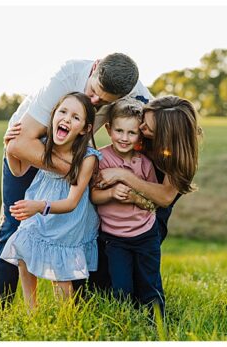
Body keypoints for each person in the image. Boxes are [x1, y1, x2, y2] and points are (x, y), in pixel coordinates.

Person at [0, 53, 153, 308]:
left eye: (105, 102)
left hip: (74, 154)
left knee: (76, 229)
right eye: (94, 91)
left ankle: (85, 301)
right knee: (13, 224)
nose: (95, 102)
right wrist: (79, 172)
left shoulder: (135, 91)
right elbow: (21, 145)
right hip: (32, 146)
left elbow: (160, 121)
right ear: (94, 68)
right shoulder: (65, 76)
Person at [0, 92, 101, 309]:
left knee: (61, 274)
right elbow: (18, 171)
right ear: (53, 116)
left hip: (67, 218)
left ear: (85, 129)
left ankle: (65, 316)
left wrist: (38, 206)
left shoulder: (88, 158)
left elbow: (72, 202)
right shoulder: (43, 144)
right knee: (24, 248)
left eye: (75, 117)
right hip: (38, 209)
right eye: (62, 112)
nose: (66, 119)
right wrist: (9, 147)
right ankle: (31, 310)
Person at [90, 97, 165, 313]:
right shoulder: (100, 159)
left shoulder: (145, 163)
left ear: (140, 134)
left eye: (131, 133)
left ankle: (157, 323)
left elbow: (153, 204)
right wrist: (112, 193)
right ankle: (125, 321)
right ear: (108, 129)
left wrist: (134, 197)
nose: (124, 138)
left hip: (145, 235)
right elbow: (94, 196)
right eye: (119, 131)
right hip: (115, 239)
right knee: (121, 287)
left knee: (150, 284)